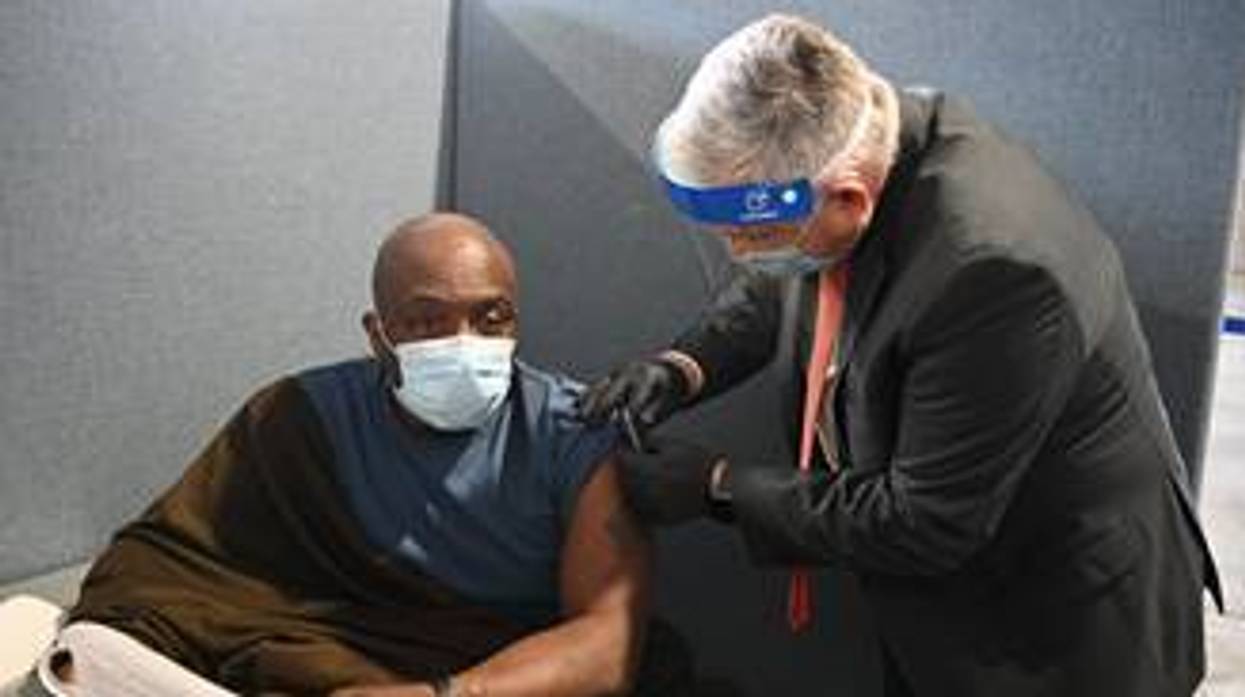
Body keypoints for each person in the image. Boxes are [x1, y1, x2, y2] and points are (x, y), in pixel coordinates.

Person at [579, 14, 1222, 697]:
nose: (741, 257)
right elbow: (791, 273)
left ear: (850, 200)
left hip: (1054, 632)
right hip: (941, 609)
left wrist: (715, 484)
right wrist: (681, 369)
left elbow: (922, 521)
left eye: (752, 233)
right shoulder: (871, 135)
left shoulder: (991, 271)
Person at [56, 213, 682, 696]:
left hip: (496, 671)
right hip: (324, 649)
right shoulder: (300, 415)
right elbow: (173, 567)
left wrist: (443, 694)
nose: (465, 343)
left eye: (491, 318)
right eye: (426, 321)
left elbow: (607, 642)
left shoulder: (577, 432)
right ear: (378, 334)